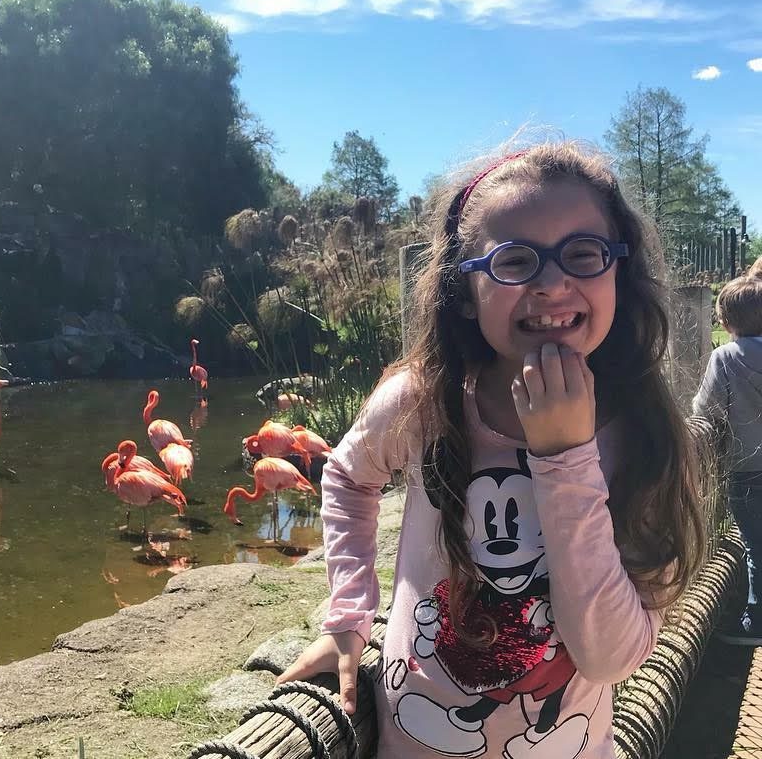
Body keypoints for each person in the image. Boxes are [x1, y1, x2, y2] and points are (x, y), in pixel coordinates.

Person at [277, 142, 705, 759]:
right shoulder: (421, 402)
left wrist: (566, 456)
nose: (554, 284)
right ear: (463, 288)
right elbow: (347, 475)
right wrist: (348, 616)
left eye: (583, 254)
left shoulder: (646, 437)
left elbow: (609, 658)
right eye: (514, 261)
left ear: (620, 270)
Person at [693, 263, 762, 645]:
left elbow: (706, 410)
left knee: (757, 547)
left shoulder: (727, 358)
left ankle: (757, 623)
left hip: (748, 470)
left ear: (725, 318)